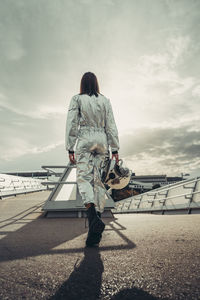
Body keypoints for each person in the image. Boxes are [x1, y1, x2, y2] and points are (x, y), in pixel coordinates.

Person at [65, 72, 119, 247]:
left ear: (82, 84)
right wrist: (115, 148)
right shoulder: (105, 101)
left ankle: (93, 219)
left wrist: (70, 146)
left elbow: (72, 122)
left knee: (84, 178)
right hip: (102, 140)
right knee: (99, 182)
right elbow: (111, 124)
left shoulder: (77, 99)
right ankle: (95, 225)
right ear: (96, 84)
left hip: (85, 139)